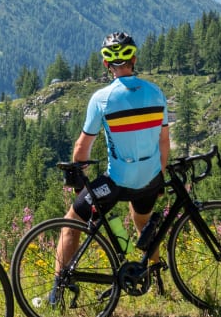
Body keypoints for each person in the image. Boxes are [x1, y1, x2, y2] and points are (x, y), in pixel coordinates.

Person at [53, 32, 170, 300]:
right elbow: (164, 142)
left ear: (107, 64)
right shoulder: (156, 92)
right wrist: (159, 177)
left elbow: (82, 148)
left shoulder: (102, 98)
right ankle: (155, 280)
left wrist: (80, 183)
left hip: (118, 181)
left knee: (72, 221)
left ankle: (56, 293)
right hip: (150, 178)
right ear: (134, 60)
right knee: (142, 221)